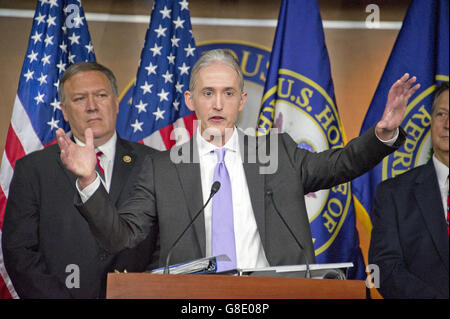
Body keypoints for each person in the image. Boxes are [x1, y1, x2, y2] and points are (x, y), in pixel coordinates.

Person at [56, 49, 418, 273]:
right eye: (208, 93)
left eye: (228, 93)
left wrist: (383, 132)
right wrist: (90, 181)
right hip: (193, 301)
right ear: (190, 99)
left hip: (272, 295)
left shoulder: (278, 154)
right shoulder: (160, 168)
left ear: (242, 100)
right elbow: (122, 237)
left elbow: (341, 164)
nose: (217, 104)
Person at [2, 62, 158, 298]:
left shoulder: (155, 164)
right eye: (79, 99)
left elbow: (165, 244)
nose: (92, 106)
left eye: (101, 95)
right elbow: (20, 252)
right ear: (64, 111)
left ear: (116, 103)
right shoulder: (33, 169)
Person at [369, 81, 449, 299]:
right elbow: (384, 269)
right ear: (431, 122)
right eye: (441, 114)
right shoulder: (394, 193)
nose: (447, 123)